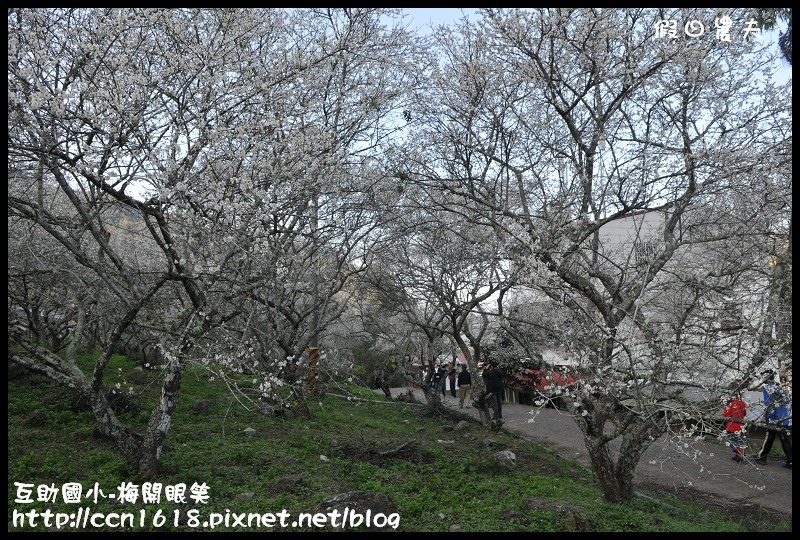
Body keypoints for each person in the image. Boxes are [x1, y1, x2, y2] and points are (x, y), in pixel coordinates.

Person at [752, 367, 792, 469]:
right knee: (785, 440)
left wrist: (767, 418)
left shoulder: (768, 388)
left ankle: (762, 457)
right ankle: (790, 461)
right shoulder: (784, 388)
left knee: (768, 438)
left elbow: (768, 404)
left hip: (773, 419)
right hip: (784, 418)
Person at [722, 395, 747, 462]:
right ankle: (738, 453)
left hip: (731, 426)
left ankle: (739, 452)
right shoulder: (742, 403)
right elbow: (744, 413)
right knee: (739, 441)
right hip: (741, 426)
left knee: (732, 441)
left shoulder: (730, 404)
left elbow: (726, 415)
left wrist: (725, 408)